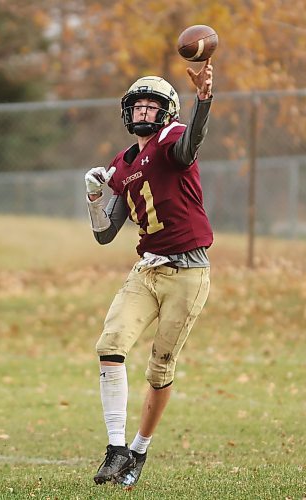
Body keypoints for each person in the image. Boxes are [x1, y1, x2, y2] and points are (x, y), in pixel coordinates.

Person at [85, 59, 214, 487]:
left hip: (188, 270)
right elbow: (105, 234)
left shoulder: (173, 138)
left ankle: (139, 450)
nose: (142, 112)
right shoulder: (121, 165)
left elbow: (191, 144)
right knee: (110, 344)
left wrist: (204, 99)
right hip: (147, 269)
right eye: (136, 106)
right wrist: (92, 197)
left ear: (166, 112)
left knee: (160, 368)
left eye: (150, 106)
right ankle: (116, 448)